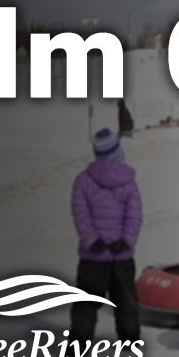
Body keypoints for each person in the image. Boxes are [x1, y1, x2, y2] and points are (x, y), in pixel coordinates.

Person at [70, 128, 142, 343]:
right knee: (126, 302)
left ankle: (79, 343)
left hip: (93, 257)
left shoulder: (83, 181)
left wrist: (92, 241)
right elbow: (134, 216)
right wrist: (126, 241)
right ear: (117, 151)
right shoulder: (128, 182)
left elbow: (80, 214)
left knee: (86, 304)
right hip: (121, 256)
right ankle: (129, 341)